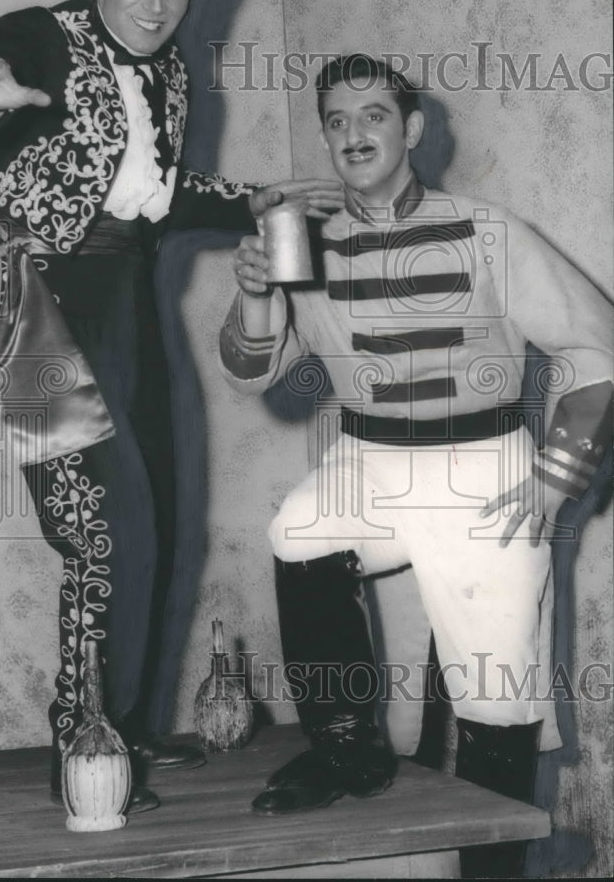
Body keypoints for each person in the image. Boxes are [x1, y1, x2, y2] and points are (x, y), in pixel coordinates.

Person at [0, 0, 342, 815]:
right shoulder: (37, 34)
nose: (156, 4)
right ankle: (81, 742)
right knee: (101, 532)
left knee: (160, 515)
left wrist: (253, 197)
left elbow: (159, 196)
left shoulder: (169, 75)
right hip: (41, 311)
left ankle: (126, 719)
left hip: (127, 305)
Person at [219, 54, 611, 876]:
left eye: (373, 115)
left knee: (494, 695)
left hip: (485, 469)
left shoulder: (488, 229)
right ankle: (346, 752)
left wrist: (556, 471)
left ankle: (491, 866)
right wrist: (256, 291)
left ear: (413, 129)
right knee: (297, 530)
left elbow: (595, 344)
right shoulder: (305, 241)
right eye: (336, 120)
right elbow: (253, 370)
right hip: (367, 460)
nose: (354, 134)